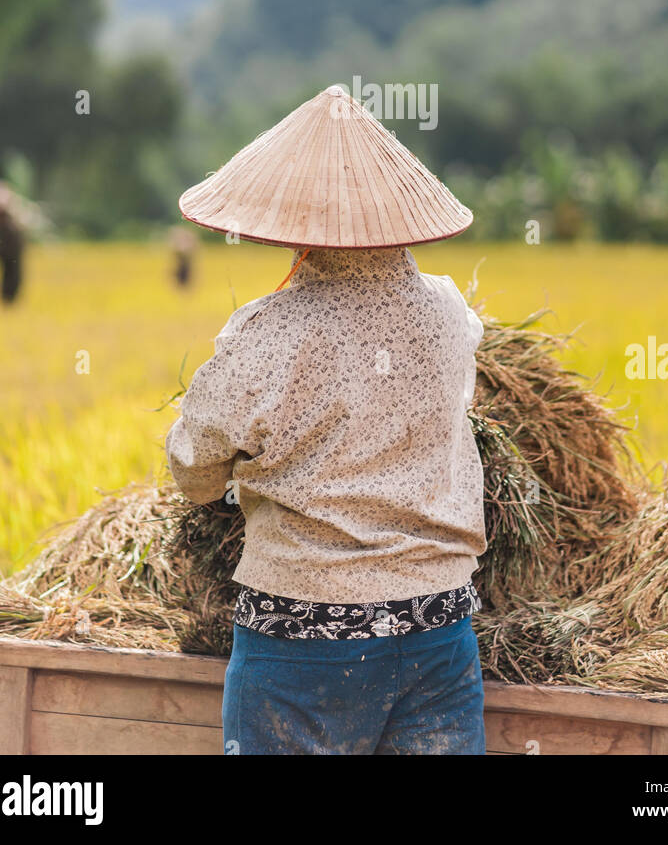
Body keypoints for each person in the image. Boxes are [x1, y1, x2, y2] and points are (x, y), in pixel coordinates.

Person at [166, 85, 487, 756]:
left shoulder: (267, 331)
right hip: (438, 623)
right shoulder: (450, 312)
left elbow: (194, 465)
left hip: (301, 634)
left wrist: (224, 490)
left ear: (295, 229)